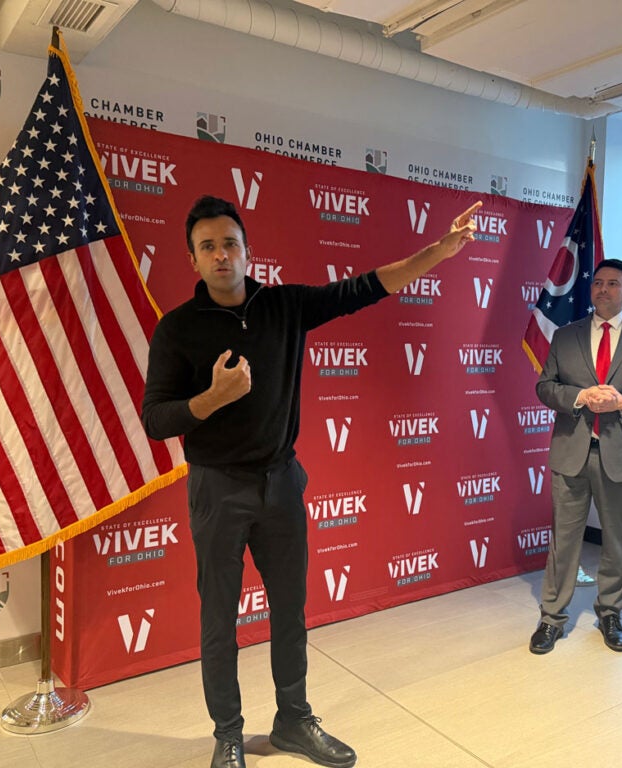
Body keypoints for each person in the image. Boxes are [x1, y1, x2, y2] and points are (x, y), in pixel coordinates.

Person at [141, 195, 480, 768]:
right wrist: (212, 398)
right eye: (208, 247)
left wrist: (440, 250)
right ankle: (228, 735)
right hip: (217, 489)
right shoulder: (176, 328)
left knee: (290, 610)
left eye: (230, 244)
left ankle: (294, 720)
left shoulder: (284, 306)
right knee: (219, 617)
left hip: (280, 483)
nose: (221, 255)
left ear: (248, 252)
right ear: (192, 259)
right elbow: (155, 419)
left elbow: (367, 287)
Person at [528, 259, 622, 654]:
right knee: (563, 540)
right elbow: (545, 387)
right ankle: (551, 618)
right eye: (598, 283)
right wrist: (580, 396)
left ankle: (611, 613)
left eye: (613, 283)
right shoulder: (566, 335)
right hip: (571, 452)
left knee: (616, 539)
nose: (603, 289)